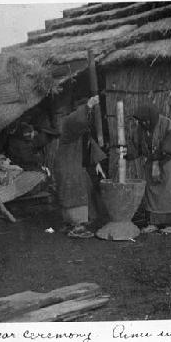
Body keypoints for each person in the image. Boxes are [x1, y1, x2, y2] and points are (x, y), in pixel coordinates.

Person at [127, 105, 171, 234]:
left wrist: (157, 156)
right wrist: (126, 154)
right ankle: (154, 223)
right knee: (152, 195)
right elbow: (137, 147)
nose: (144, 123)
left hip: (168, 164)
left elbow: (170, 147)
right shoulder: (141, 129)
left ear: (152, 117)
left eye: (146, 120)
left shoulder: (168, 125)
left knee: (169, 193)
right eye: (141, 121)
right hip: (152, 167)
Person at [53, 95, 107, 238]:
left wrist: (97, 163)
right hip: (68, 165)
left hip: (73, 165)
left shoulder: (81, 130)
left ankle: (73, 223)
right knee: (75, 192)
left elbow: (89, 145)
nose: (89, 116)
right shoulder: (70, 122)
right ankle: (77, 226)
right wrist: (88, 105)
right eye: (88, 113)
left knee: (83, 187)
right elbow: (78, 120)